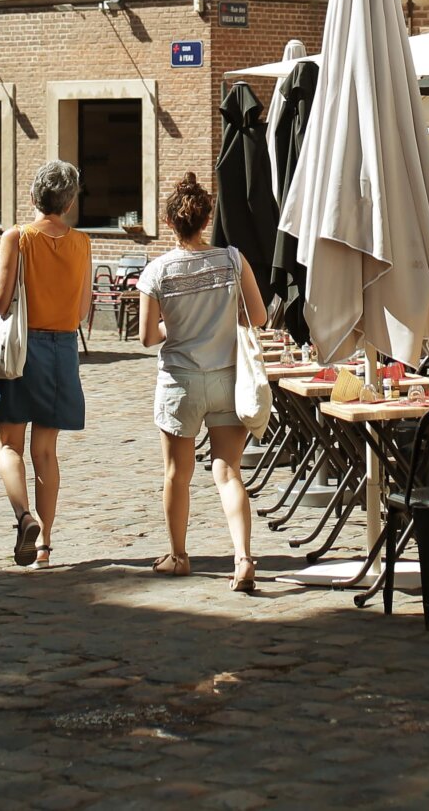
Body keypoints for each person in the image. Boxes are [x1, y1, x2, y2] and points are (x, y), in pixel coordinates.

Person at [138, 172, 269, 590]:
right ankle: (244, 557)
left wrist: (174, 329)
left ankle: (178, 555)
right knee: (228, 471)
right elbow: (260, 317)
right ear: (206, 218)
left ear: (171, 223)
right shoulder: (232, 259)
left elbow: (147, 336)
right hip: (228, 378)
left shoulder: (157, 271)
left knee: (177, 473)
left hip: (180, 381)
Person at [0, 160, 94, 569]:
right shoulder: (82, 243)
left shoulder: (17, 237)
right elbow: (84, 309)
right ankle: (46, 547)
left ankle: (24, 517)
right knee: (46, 451)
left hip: (21, 350)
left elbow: (0, 302)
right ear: (68, 203)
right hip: (63, 350)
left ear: (33, 197)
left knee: (9, 444)